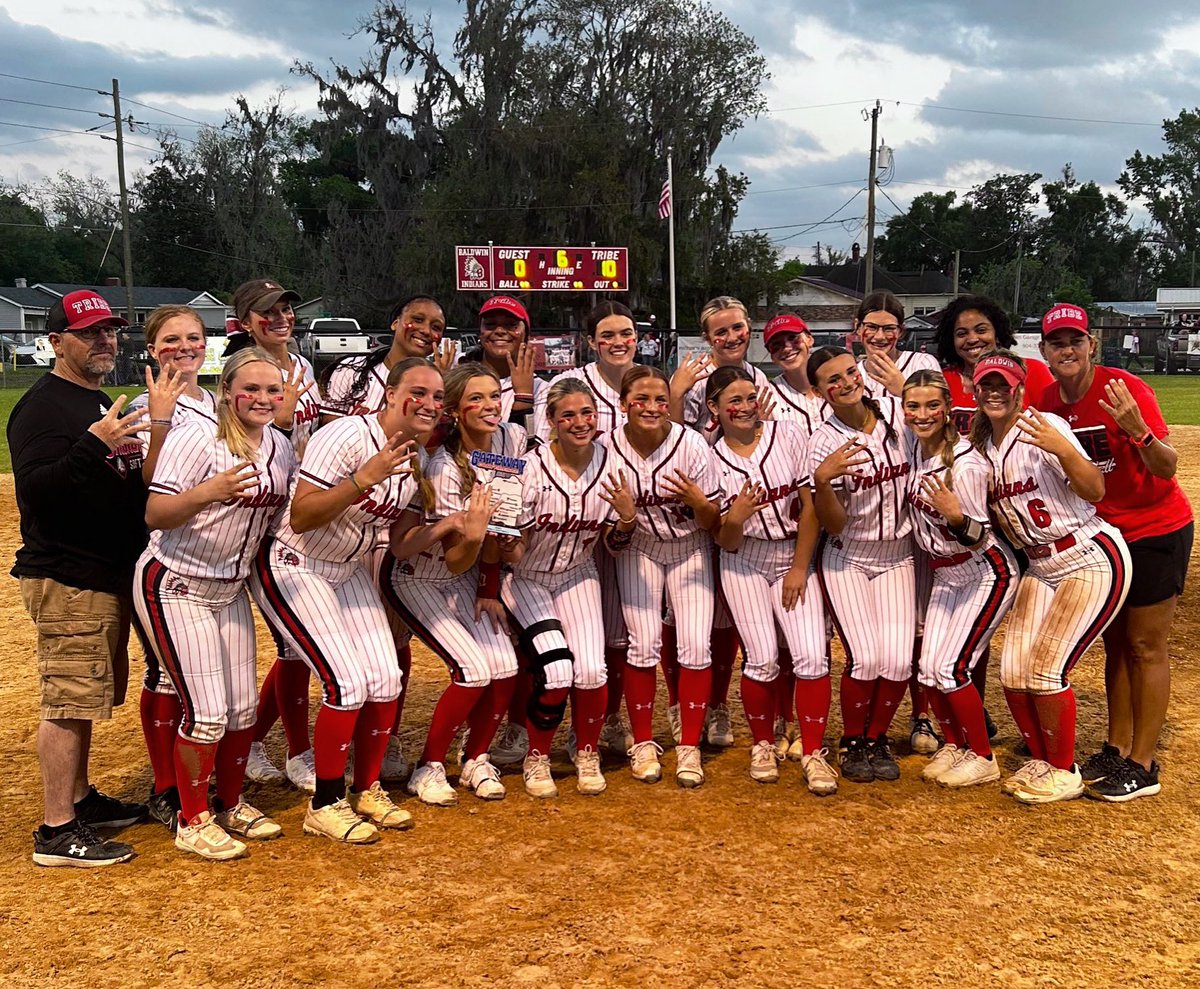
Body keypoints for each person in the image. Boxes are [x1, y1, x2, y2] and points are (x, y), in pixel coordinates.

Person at [250, 360, 438, 843]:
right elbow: (305, 513)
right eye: (419, 392)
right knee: (346, 684)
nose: (430, 404)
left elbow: (396, 541)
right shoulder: (348, 435)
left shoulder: (415, 457)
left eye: (438, 398)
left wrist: (459, 526)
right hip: (296, 561)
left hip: (348, 571)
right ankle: (326, 804)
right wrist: (363, 478)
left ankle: (367, 786)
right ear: (391, 394)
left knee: (385, 679)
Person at [133, 348, 295, 860]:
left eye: (273, 390)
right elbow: (155, 512)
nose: (264, 399)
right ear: (227, 391)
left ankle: (229, 801)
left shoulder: (281, 448)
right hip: (176, 581)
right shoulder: (197, 436)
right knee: (206, 714)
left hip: (229, 589)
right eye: (252, 388)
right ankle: (191, 817)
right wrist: (210, 491)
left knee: (242, 709)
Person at [10, 289, 149, 867]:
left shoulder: (93, 400)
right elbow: (37, 492)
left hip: (101, 572)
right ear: (56, 341)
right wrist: (95, 446)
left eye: (109, 330)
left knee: (88, 692)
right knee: (67, 700)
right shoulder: (44, 406)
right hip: (67, 573)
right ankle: (55, 829)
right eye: (88, 331)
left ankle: (80, 799)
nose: (103, 340)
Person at [1033, 304, 1192, 800]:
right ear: (1044, 351)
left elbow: (1167, 468)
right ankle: (1116, 746)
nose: (1067, 349)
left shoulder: (1123, 388)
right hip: (1103, 536)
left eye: (1075, 340)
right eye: (1057, 342)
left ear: (1091, 345)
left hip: (1154, 528)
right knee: (1116, 643)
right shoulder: (1047, 401)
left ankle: (1143, 764)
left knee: (1146, 645)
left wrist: (1135, 426)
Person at [970, 351, 1131, 804]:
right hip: (1040, 565)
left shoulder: (1047, 427)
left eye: (1004, 384)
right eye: (987, 385)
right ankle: (1042, 757)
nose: (995, 392)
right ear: (976, 392)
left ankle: (1063, 770)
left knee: (1045, 669)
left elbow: (1096, 490)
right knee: (1014, 668)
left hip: (1085, 553)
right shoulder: (983, 448)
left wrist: (1062, 448)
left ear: (1020, 388)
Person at [386, 363, 523, 806]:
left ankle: (476, 758)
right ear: (456, 411)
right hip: (418, 576)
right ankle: (429, 766)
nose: (489, 406)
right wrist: (479, 535)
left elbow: (484, 551)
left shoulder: (504, 450)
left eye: (494, 397)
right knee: (472, 671)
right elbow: (455, 553)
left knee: (504, 666)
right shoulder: (444, 467)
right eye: (476, 399)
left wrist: (490, 581)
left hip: (460, 579)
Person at [501, 378, 638, 797]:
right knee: (558, 670)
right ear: (552, 421)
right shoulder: (526, 467)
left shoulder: (612, 465)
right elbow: (508, 550)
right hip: (527, 578)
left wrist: (628, 520)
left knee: (592, 671)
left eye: (587, 413)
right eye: (569, 415)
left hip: (578, 574)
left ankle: (587, 750)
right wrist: (507, 538)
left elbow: (614, 546)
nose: (580, 422)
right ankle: (538, 755)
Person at [932, 293, 1053, 736]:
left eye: (981, 329)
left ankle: (1040, 723)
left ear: (999, 331)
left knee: (1033, 632)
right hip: (966, 526)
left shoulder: (1030, 374)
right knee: (974, 632)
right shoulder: (943, 380)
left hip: (1019, 517)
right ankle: (973, 711)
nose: (972, 338)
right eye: (961, 332)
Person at [707, 367, 832, 793]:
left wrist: (800, 567)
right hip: (742, 560)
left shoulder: (790, 433)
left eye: (748, 397)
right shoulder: (710, 456)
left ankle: (814, 751)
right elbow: (723, 538)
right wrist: (736, 520)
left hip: (791, 554)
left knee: (812, 656)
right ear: (714, 409)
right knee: (761, 658)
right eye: (733, 401)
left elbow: (811, 507)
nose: (744, 407)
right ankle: (762, 743)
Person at [225, 279, 323, 791]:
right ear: (245, 321)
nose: (280, 316)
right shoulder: (241, 371)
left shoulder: (302, 367)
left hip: (298, 511)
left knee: (294, 643)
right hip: (259, 516)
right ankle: (299, 752)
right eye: (268, 311)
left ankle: (260, 741)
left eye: (286, 307)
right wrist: (279, 423)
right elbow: (238, 442)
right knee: (293, 645)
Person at [532, 301, 639, 755]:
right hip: (560, 526)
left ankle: (602, 723)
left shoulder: (647, 383)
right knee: (548, 650)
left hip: (610, 524)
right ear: (592, 341)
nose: (618, 342)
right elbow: (544, 449)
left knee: (614, 637)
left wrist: (628, 516)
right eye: (608, 335)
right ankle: (528, 730)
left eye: (626, 333)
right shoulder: (566, 386)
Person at [901, 370, 1018, 789]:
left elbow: (979, 537)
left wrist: (954, 516)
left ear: (949, 409)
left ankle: (983, 755)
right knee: (929, 668)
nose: (923, 414)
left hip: (986, 572)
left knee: (952, 668)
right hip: (946, 576)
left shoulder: (965, 463)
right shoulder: (917, 452)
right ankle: (955, 743)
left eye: (933, 405)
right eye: (913, 405)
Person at [126, 304, 218, 830]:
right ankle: (166, 787)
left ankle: (196, 776)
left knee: (197, 675)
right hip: (166, 553)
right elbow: (148, 483)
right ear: (152, 349)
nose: (184, 347)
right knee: (165, 674)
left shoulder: (220, 400)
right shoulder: (144, 403)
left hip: (215, 555)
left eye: (193, 337)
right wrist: (159, 421)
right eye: (170, 340)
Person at [608, 366, 721, 787]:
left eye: (660, 399)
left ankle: (689, 745)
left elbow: (713, 520)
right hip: (639, 547)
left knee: (694, 645)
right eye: (642, 398)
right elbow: (610, 539)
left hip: (690, 547)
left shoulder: (690, 443)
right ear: (623, 404)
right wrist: (623, 522)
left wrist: (699, 501)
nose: (653, 407)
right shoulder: (608, 447)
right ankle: (641, 742)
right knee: (643, 643)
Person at [807, 346, 914, 783]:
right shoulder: (822, 443)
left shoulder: (900, 415)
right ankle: (853, 740)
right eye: (833, 379)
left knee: (900, 662)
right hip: (849, 555)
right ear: (819, 392)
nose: (846, 382)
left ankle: (878, 737)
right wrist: (823, 481)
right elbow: (831, 522)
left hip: (899, 554)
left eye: (850, 372)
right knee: (867, 658)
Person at [667, 295, 767, 746]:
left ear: (750, 328)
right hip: (693, 514)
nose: (731, 337)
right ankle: (677, 702)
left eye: (737, 328)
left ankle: (719, 705)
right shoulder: (694, 380)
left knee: (724, 619)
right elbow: (672, 439)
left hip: (739, 514)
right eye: (720, 332)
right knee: (683, 616)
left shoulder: (761, 380)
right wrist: (674, 392)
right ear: (707, 338)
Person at [762, 313, 830, 759]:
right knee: (788, 632)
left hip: (843, 522)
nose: (787, 348)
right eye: (777, 344)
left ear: (809, 339)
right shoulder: (770, 397)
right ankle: (784, 718)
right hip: (796, 522)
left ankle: (810, 725)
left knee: (819, 637)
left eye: (793, 339)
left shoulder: (839, 384)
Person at [319, 294, 454, 421]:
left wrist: (439, 383)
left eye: (436, 327)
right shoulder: (352, 369)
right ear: (395, 323)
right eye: (418, 319)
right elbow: (329, 428)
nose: (426, 330)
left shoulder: (442, 384)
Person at [458, 295, 545, 427]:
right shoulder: (457, 374)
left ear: (527, 334)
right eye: (490, 324)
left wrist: (524, 397)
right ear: (480, 332)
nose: (499, 331)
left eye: (511, 324)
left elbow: (531, 445)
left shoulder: (541, 389)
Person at [854, 290, 940, 399]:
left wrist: (903, 390)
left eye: (889, 328)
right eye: (871, 327)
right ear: (858, 327)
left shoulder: (922, 363)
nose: (880, 336)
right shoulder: (852, 376)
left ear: (901, 331)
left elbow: (938, 412)